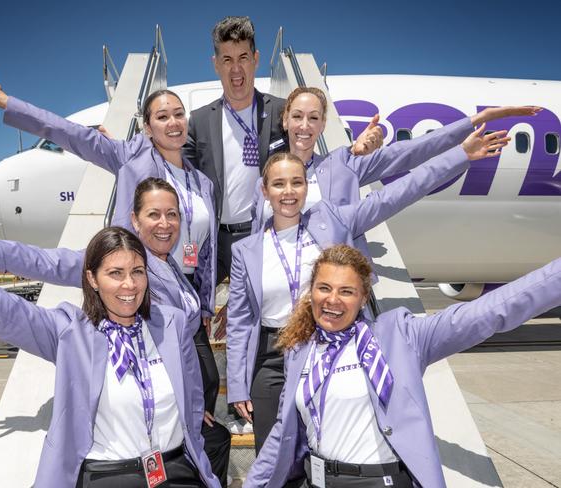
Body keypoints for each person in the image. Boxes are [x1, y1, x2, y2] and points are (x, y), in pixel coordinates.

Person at [0, 69, 226, 472]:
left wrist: (203, 303)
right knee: (188, 427)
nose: (172, 122)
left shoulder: (201, 182)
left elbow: (205, 250)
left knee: (204, 414)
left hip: (185, 310)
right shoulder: (129, 156)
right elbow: (67, 134)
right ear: (146, 127)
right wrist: (4, 101)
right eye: (162, 116)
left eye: (178, 114)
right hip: (140, 309)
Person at [0, 179, 232, 487]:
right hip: (108, 477)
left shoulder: (171, 326)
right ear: (92, 278)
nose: (129, 285)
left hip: (174, 471)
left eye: (137, 272)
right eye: (115, 274)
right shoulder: (70, 333)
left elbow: (190, 393)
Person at [227, 123, 510, 454]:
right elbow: (239, 321)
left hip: (329, 349)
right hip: (272, 357)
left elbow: (401, 192)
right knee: (273, 458)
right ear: (264, 191)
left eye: (296, 182)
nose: (288, 191)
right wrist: (236, 384)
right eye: (278, 184)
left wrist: (461, 155)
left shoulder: (333, 221)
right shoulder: (245, 251)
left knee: (325, 450)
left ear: (307, 187)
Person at [245, 244, 561, 488]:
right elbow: (282, 434)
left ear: (363, 297)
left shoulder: (399, 336)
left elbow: (491, 312)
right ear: (311, 291)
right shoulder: (300, 350)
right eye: (324, 288)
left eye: (347, 291)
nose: (333, 300)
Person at [183, 17, 381, 285]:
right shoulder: (199, 120)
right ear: (215, 64)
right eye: (227, 59)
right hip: (217, 239)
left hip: (268, 232)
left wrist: (352, 151)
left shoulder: (280, 112)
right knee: (198, 312)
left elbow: (307, 148)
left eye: (243, 57)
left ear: (256, 59)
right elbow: (178, 172)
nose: (236, 68)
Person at [250, 86, 542, 233]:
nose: (304, 125)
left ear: (323, 125)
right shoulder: (264, 183)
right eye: (297, 117)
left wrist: (476, 121)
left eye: (313, 118)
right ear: (285, 120)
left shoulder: (342, 163)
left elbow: (411, 154)